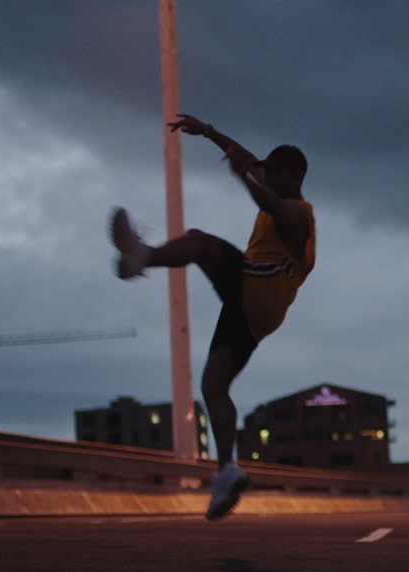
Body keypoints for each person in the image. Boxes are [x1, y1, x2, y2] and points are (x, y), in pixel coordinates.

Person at [109, 113, 316, 520]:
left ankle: (143, 255)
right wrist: (208, 133)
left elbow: (271, 202)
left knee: (200, 242)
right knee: (213, 385)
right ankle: (226, 472)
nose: (263, 177)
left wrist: (244, 179)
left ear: (292, 176)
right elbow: (248, 159)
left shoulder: (298, 211)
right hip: (256, 316)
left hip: (260, 286)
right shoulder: (274, 180)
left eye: (271, 175)